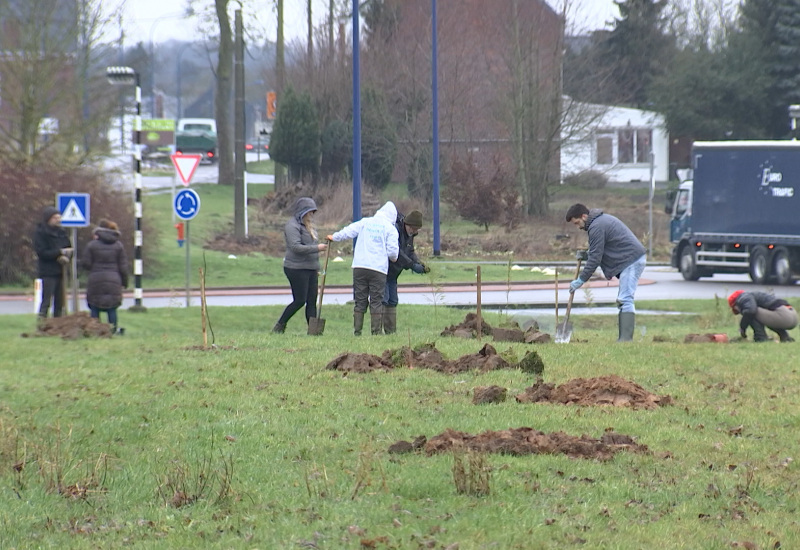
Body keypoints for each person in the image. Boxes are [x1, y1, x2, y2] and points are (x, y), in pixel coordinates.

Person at [565, 203, 647, 342]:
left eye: (577, 222)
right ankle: (624, 338)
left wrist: (581, 280)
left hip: (631, 259)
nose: (578, 227)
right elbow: (599, 250)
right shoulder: (599, 222)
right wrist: (587, 255)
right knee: (624, 298)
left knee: (625, 298)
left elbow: (596, 258)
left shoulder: (596, 226)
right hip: (630, 259)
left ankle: (626, 340)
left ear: (584, 216)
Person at [327, 201, 399, 335]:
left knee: (360, 300)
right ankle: (376, 332)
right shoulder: (390, 229)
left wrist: (334, 237)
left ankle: (357, 331)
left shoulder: (365, 222)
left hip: (359, 266)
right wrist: (392, 258)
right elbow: (393, 253)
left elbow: (348, 231)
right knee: (376, 301)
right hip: (378, 269)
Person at [272, 197, 327, 333]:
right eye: (309, 212)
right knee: (300, 300)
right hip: (296, 268)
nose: (311, 216)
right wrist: (317, 248)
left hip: (311, 268)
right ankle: (280, 326)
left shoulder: (310, 227)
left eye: (313, 213)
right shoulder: (292, 226)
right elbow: (295, 247)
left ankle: (314, 331)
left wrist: (317, 262)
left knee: (312, 301)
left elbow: (312, 245)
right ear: (302, 212)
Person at [381, 209, 429, 334]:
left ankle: (390, 332)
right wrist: (412, 266)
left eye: (416, 229)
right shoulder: (395, 231)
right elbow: (398, 252)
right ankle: (377, 332)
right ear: (407, 225)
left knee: (393, 300)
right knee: (383, 300)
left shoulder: (410, 234)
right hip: (384, 270)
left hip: (394, 273)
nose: (414, 231)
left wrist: (419, 263)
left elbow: (410, 251)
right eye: (413, 228)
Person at [83, 219, 129, 334]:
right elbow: (123, 267)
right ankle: (112, 330)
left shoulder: (91, 245)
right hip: (114, 279)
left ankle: (94, 330)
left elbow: (86, 264)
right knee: (112, 307)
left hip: (96, 279)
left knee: (94, 305)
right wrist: (124, 282)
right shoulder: (119, 246)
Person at [33, 206, 72, 319]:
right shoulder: (41, 233)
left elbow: (68, 247)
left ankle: (57, 322)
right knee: (47, 299)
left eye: (59, 217)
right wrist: (59, 253)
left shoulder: (62, 233)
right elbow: (42, 252)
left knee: (60, 300)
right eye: (55, 218)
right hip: (48, 271)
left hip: (61, 271)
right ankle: (42, 320)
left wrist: (67, 255)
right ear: (48, 219)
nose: (58, 220)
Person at [728, 290, 797, 343]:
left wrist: (742, 328)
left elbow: (750, 311)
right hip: (792, 315)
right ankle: (785, 337)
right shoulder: (752, 296)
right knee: (765, 315)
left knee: (749, 312)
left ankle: (760, 337)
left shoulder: (743, 298)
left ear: (735, 304)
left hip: (784, 315)